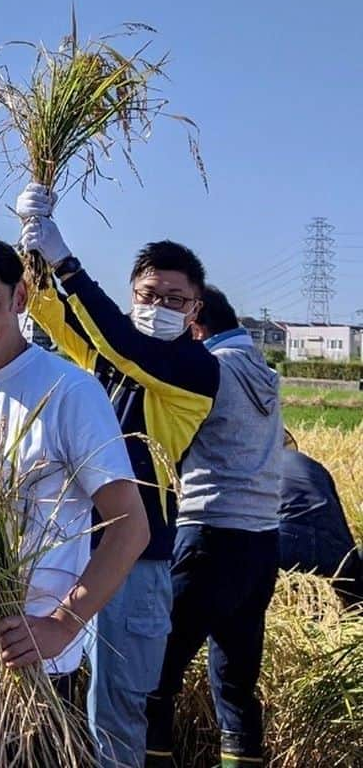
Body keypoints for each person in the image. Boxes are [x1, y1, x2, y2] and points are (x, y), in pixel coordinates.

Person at [0, 231, 150, 766]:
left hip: (35, 662)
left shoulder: (69, 393)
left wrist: (63, 625)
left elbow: (131, 527)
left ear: (19, 299)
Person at [18, 184, 219, 767]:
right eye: (149, 294)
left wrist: (68, 261)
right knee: (45, 689)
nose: (161, 305)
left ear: (195, 310)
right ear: (133, 295)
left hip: (138, 560)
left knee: (117, 709)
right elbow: (47, 309)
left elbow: (122, 343)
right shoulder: (108, 361)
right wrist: (32, 238)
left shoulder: (194, 371)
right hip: (70, 547)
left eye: (175, 299)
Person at [146, 287, 283, 768]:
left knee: (156, 678)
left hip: (208, 535)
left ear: (195, 318)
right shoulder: (264, 372)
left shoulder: (213, 369)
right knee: (236, 687)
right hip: (262, 542)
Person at [279, 431, 363, 609]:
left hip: (283, 545)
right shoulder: (313, 466)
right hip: (334, 551)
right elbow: (337, 517)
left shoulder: (255, 468)